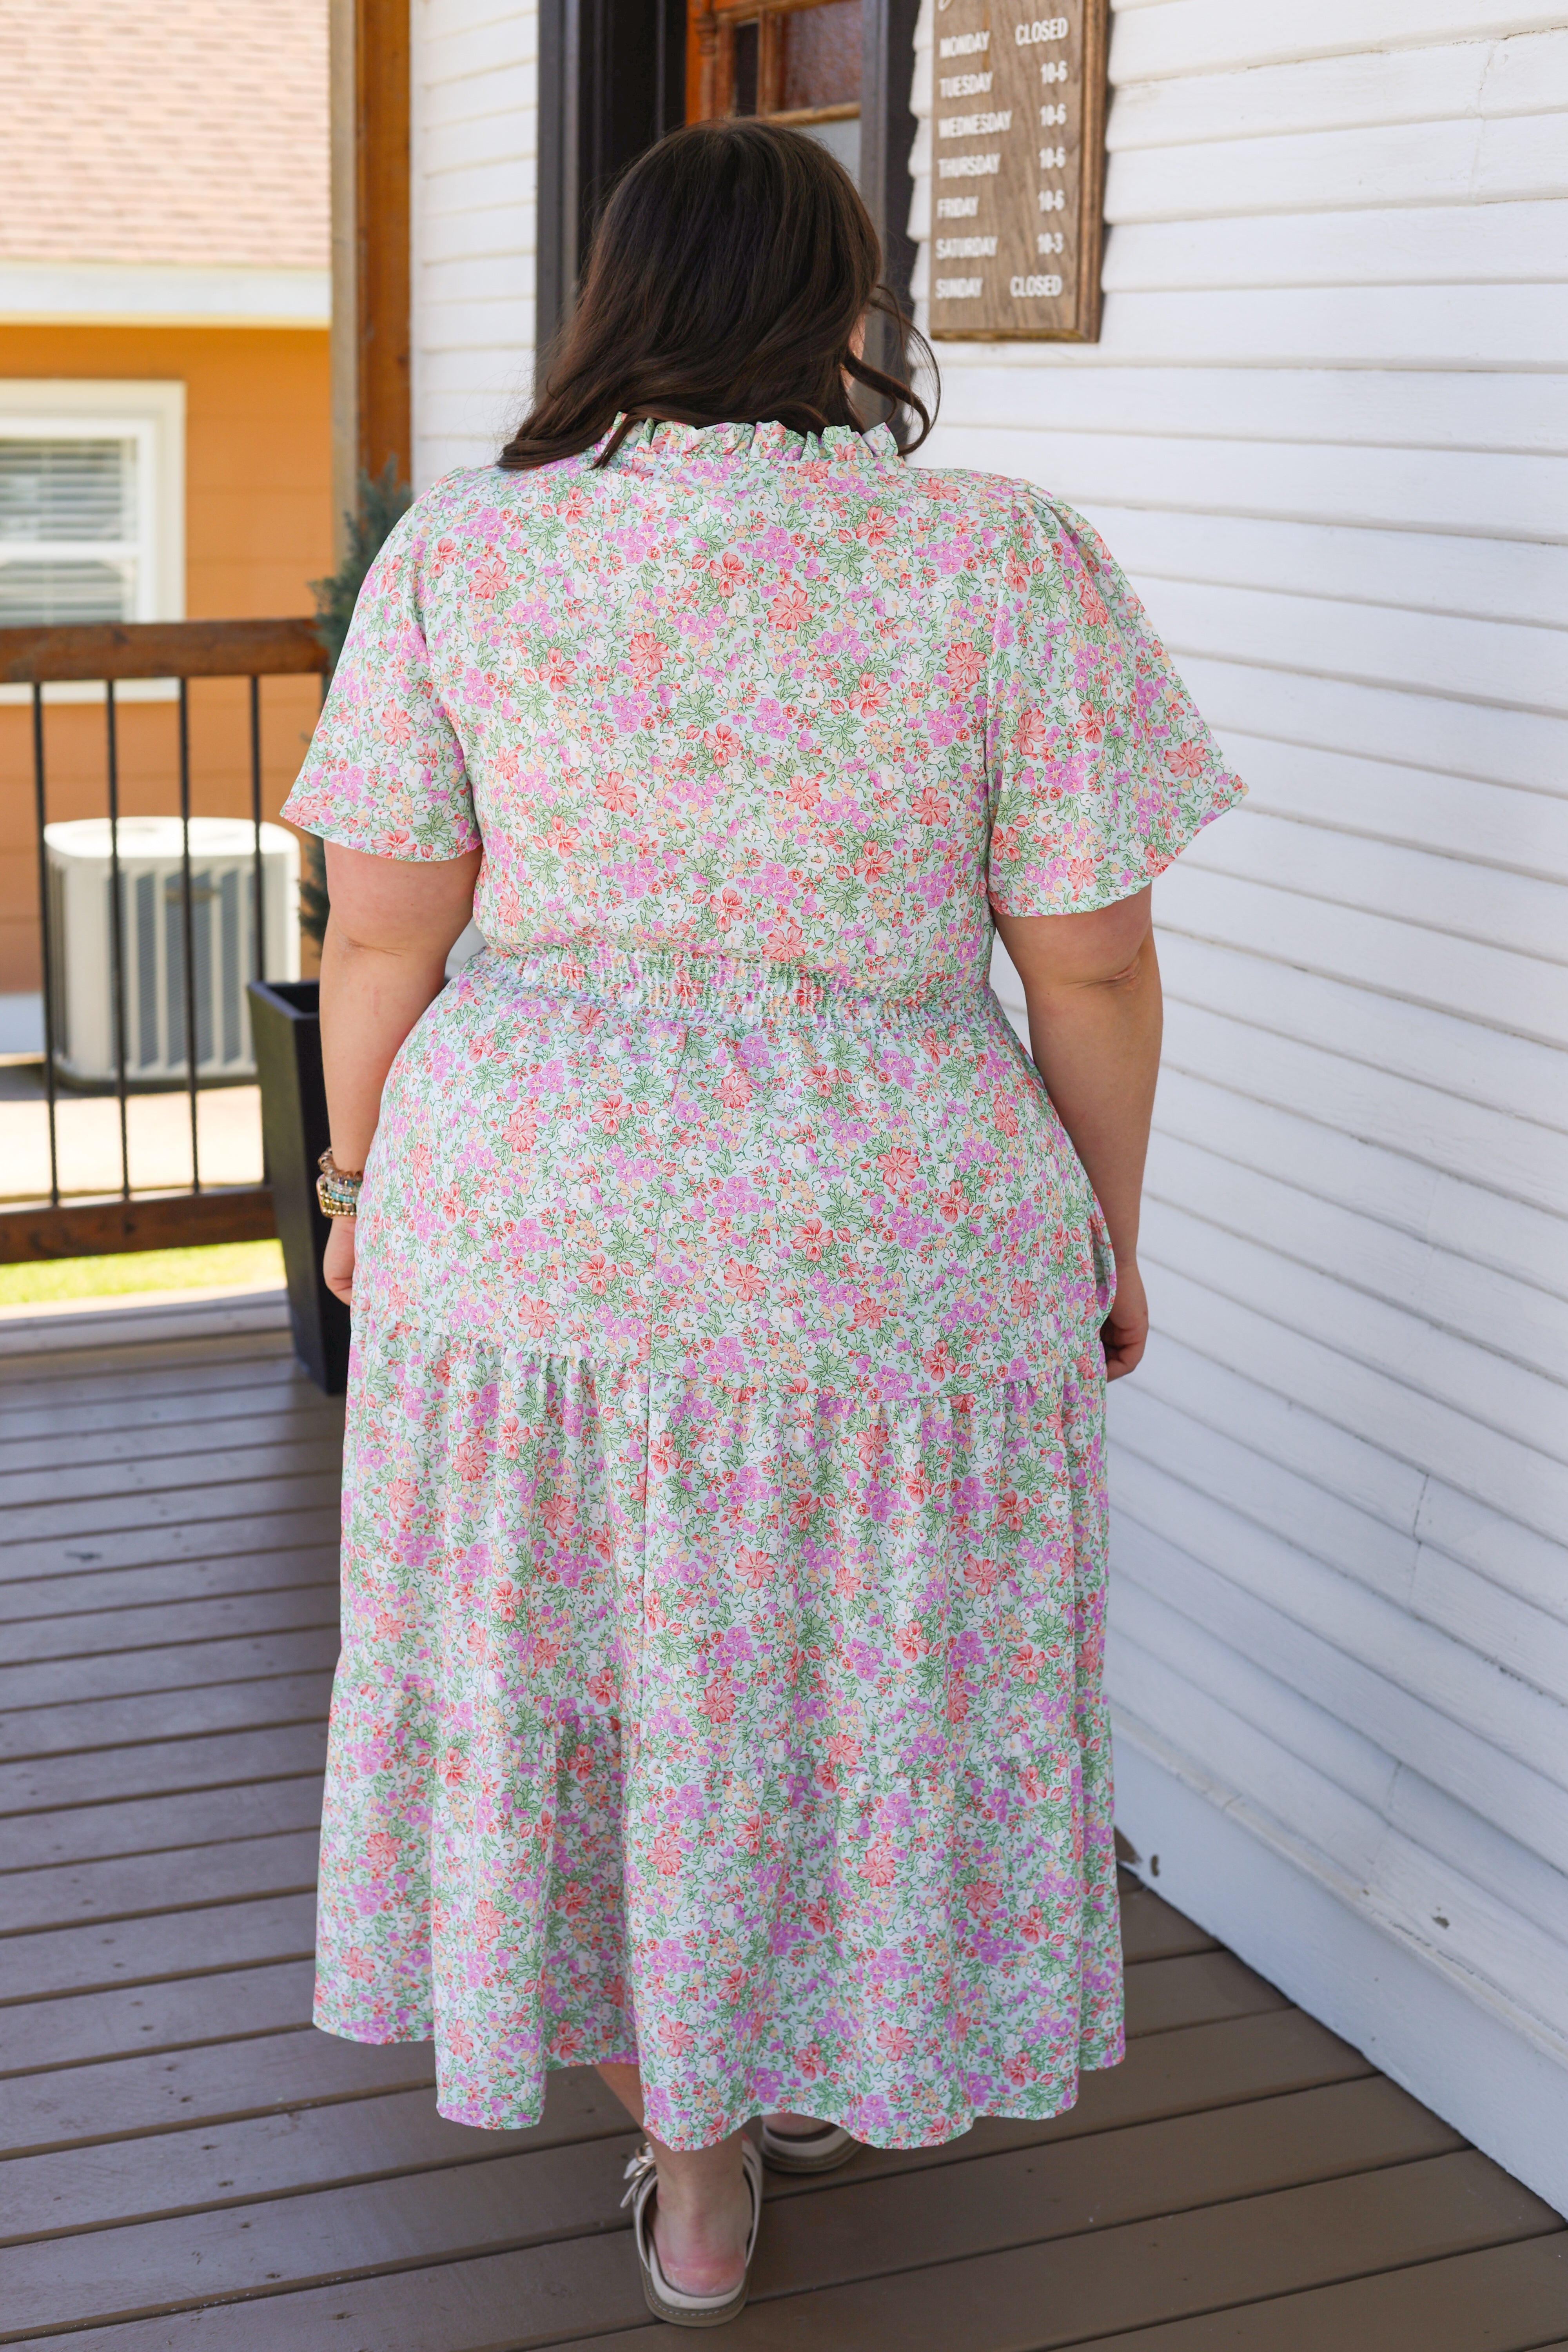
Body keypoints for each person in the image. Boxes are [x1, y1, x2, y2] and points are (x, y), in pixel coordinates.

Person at [283, 118, 1243, 2328]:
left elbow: (379, 934)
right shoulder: (999, 558)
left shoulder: (467, 554)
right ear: (845, 309)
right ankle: (802, 2059)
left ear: (615, 301)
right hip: (888, 1237)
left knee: (598, 1673)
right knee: (836, 1671)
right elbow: (1092, 963)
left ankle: (694, 2162)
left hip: (536, 1228)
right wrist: (1106, 1230)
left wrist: (354, 1188)